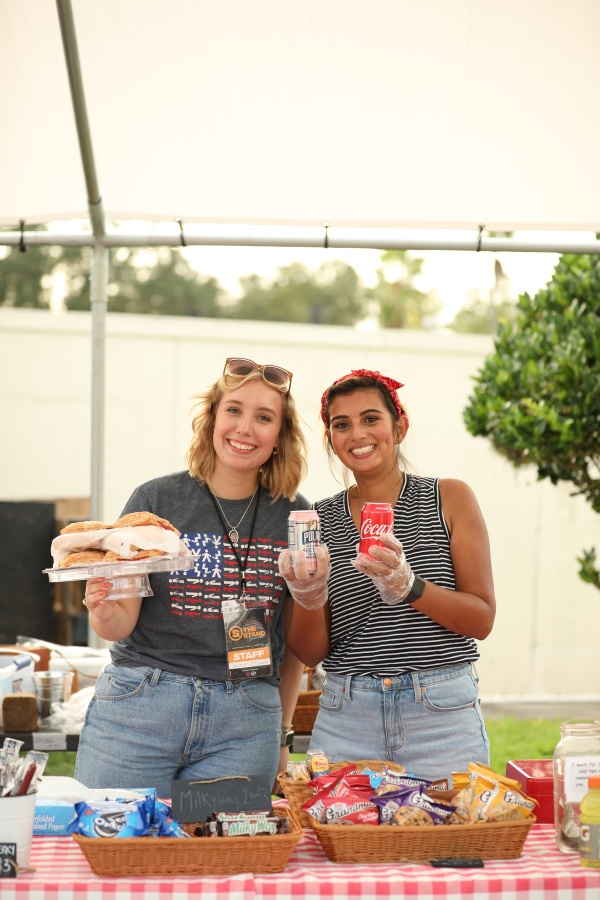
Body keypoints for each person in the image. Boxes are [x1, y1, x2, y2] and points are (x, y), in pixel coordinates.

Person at [75, 357, 309, 799]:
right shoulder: (156, 499)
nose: (245, 428)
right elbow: (119, 622)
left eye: (264, 417)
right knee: (116, 835)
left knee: (222, 843)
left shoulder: (297, 517)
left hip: (244, 724)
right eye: (234, 410)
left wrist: (282, 732)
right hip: (141, 710)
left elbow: (293, 645)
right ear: (213, 419)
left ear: (280, 437)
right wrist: (102, 610)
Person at [279, 368, 496, 783]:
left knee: (447, 827)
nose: (357, 434)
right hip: (349, 717)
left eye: (370, 418)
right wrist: (308, 595)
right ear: (331, 440)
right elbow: (310, 653)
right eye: (341, 424)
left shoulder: (449, 498)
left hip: (441, 718)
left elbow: (481, 619)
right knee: (344, 828)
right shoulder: (317, 519)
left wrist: (410, 586)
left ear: (399, 427)